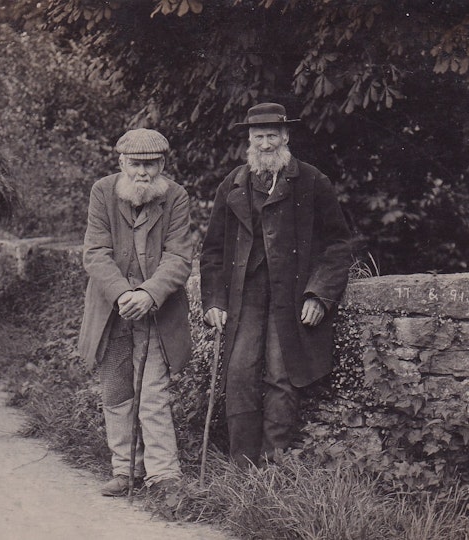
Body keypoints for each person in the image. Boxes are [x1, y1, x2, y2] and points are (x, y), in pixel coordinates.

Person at [200, 102, 352, 468]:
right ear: (249, 140)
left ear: (286, 136)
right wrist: (213, 302)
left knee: (281, 374)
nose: (265, 144)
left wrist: (320, 294)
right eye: (258, 137)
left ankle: (273, 468)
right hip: (245, 294)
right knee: (238, 372)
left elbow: (339, 245)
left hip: (292, 293)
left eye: (271, 135)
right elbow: (213, 252)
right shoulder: (233, 184)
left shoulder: (312, 181)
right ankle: (242, 467)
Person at [78, 128, 193, 497]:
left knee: (153, 391)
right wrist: (124, 295)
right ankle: (124, 469)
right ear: (121, 163)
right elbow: (95, 252)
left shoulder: (176, 197)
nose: (143, 173)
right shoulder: (102, 192)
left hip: (159, 312)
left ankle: (163, 475)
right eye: (136, 164)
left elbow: (179, 257)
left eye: (151, 164)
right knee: (116, 389)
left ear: (162, 164)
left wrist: (149, 293)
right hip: (114, 311)